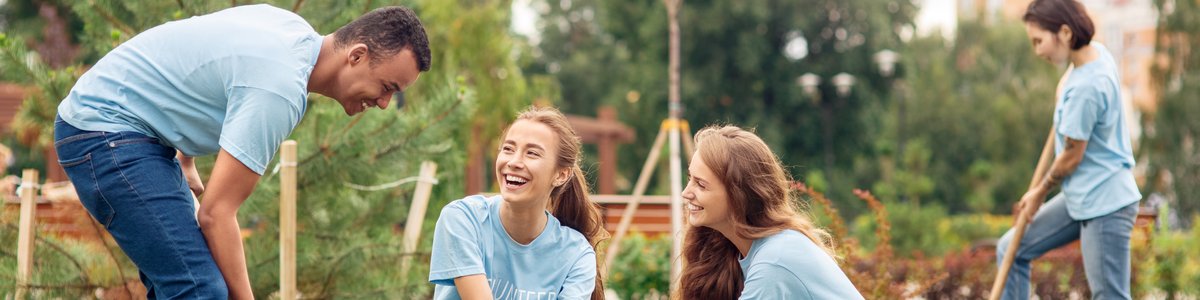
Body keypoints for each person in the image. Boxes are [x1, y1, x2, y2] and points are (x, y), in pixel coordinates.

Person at [53, 4, 431, 298]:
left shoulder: (292, 32)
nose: (384, 103)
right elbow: (216, 215)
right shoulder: (280, 89)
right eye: (387, 87)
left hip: (125, 129)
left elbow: (204, 58)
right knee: (200, 290)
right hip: (104, 130)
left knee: (185, 286)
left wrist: (186, 158)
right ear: (357, 55)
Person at [995, 0, 1141, 299]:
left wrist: (1039, 193)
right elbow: (1075, 78)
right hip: (1082, 195)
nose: (1037, 51)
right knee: (1011, 248)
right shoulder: (1097, 54)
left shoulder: (1085, 89)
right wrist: (1065, 87)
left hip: (1106, 202)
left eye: (1039, 41)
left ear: (1064, 33)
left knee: (1110, 296)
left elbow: (1072, 157)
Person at [428, 106, 607, 300]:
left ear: (561, 175)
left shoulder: (577, 254)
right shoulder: (463, 219)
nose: (513, 162)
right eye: (508, 149)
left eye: (532, 153)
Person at [678, 125, 862, 299]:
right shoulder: (738, 251)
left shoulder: (774, 262)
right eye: (690, 179)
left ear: (738, 195)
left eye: (700, 184)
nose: (686, 193)